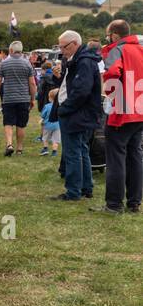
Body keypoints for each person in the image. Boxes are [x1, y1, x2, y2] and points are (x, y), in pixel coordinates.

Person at [48, 30, 102, 203]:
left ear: (74, 44)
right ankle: (86, 188)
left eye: (63, 47)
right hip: (80, 113)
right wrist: (61, 75)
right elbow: (71, 86)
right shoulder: (77, 60)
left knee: (72, 153)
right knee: (82, 150)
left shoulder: (84, 62)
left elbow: (81, 91)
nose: (61, 51)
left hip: (76, 113)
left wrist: (65, 109)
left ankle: (73, 192)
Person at [98, 19, 143, 214]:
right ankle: (134, 203)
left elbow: (113, 72)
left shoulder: (117, 49)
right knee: (135, 156)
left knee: (116, 157)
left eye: (108, 35)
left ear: (114, 35)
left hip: (123, 110)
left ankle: (114, 204)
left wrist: (111, 94)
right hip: (140, 109)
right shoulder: (141, 48)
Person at [0, 40, 36, 155]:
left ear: (10, 50)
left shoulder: (4, 63)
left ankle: (9, 144)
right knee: (21, 124)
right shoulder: (27, 63)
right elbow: (32, 84)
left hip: (8, 98)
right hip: (24, 98)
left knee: (8, 123)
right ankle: (19, 149)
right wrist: (32, 98)